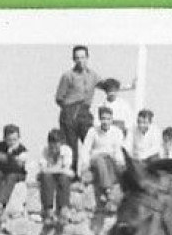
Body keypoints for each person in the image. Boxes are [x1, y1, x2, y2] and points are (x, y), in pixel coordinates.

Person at [54, 45, 101, 174]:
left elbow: (107, 86)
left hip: (85, 112)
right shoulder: (68, 76)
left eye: (83, 57)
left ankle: (92, 173)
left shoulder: (93, 75)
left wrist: (129, 86)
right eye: (77, 58)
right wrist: (69, 110)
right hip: (69, 112)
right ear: (73, 59)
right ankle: (72, 176)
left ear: (87, 58)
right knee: (71, 147)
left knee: (91, 141)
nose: (80, 61)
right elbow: (59, 97)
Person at [80, 106, 128, 212]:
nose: (105, 121)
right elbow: (85, 149)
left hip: (110, 159)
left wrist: (119, 161)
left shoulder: (117, 132)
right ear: (100, 119)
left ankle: (107, 192)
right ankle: (108, 191)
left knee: (109, 162)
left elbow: (118, 149)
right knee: (100, 160)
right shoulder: (93, 131)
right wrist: (85, 164)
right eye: (103, 118)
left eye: (108, 119)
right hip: (96, 159)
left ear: (111, 119)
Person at [0, 124, 31, 218]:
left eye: (15, 139)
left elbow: (18, 165)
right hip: (2, 172)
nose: (12, 142)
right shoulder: (0, 147)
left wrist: (7, 157)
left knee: (11, 177)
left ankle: (1, 203)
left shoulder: (22, 150)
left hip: (17, 173)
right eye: (10, 140)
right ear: (5, 139)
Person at [37, 128, 74, 224]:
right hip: (50, 177)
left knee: (64, 179)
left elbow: (66, 169)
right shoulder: (44, 150)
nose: (53, 149)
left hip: (61, 177)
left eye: (56, 145)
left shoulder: (67, 150)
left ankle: (63, 209)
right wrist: (57, 169)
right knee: (46, 178)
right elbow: (43, 169)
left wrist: (53, 170)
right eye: (51, 145)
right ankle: (48, 210)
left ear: (61, 143)